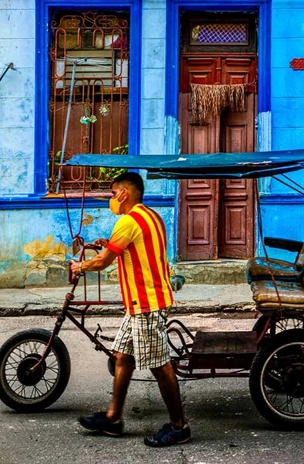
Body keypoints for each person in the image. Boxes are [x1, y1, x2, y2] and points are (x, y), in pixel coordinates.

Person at [72, 171, 191, 447]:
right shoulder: (151, 216)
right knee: (122, 355)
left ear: (125, 193)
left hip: (146, 304)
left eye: (113, 194)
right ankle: (113, 418)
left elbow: (103, 262)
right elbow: (132, 248)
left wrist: (80, 266)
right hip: (144, 302)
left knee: (160, 366)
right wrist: (109, 244)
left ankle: (179, 426)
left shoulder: (127, 221)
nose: (112, 200)